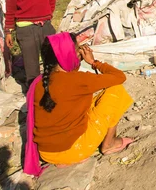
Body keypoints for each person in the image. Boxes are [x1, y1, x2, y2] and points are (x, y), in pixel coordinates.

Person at [23, 32, 134, 176]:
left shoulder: (38, 82)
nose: (80, 53)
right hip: (75, 150)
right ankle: (110, 143)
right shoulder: (79, 80)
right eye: (77, 50)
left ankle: (65, 157)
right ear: (68, 54)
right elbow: (119, 77)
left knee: (89, 104)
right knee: (116, 91)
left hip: (46, 154)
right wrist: (94, 62)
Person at [5, 0, 56, 88]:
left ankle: (52, 89)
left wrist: (47, 15)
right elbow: (10, 8)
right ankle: (33, 94)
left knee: (51, 59)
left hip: (45, 26)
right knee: (31, 63)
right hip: (25, 28)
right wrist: (8, 31)